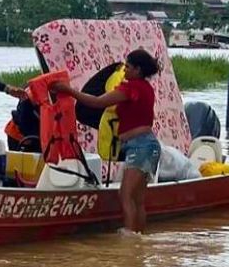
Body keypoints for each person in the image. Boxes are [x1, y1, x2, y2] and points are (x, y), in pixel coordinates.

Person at [52, 49, 161, 235]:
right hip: (148, 145)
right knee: (138, 199)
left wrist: (68, 90)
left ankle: (129, 238)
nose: (124, 70)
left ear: (138, 69)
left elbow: (97, 102)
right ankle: (139, 238)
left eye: (128, 66)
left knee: (125, 195)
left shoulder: (130, 87)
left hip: (139, 146)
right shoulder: (146, 87)